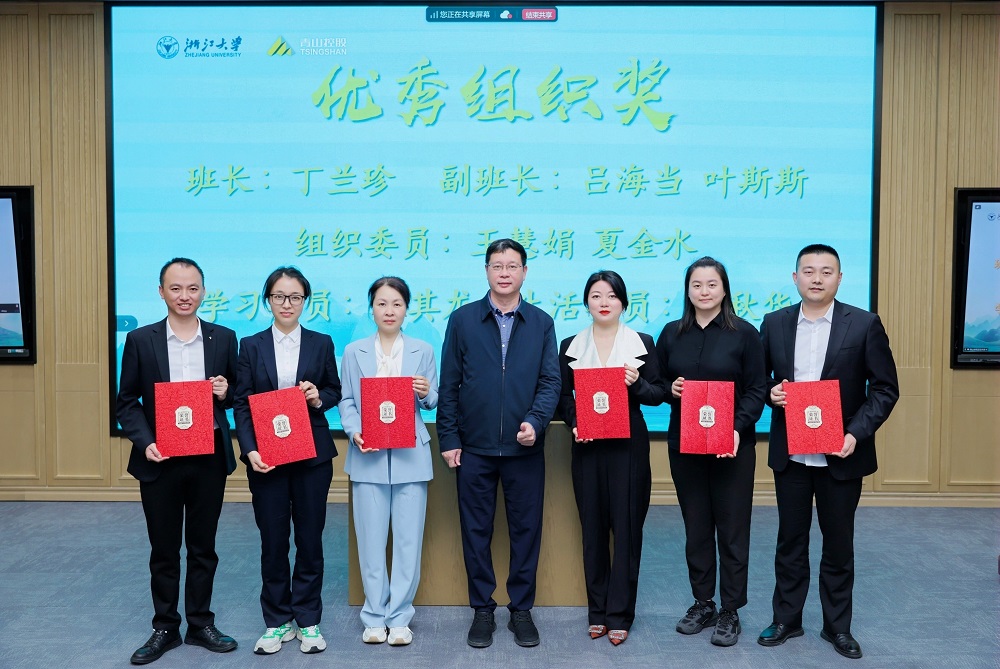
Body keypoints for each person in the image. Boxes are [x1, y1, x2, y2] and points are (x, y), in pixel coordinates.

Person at [756, 244, 898, 659]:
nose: (816, 278)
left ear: (839, 278)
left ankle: (837, 627)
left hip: (842, 453)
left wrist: (856, 433)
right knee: (790, 541)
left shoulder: (865, 324)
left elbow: (885, 389)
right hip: (792, 455)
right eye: (808, 271)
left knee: (838, 543)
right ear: (795, 277)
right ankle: (787, 619)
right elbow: (758, 381)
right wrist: (771, 394)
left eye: (826, 271)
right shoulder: (774, 323)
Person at [438, 238, 561, 649]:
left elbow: (550, 382)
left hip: (525, 449)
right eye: (497, 265)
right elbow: (449, 383)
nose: (504, 272)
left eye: (512, 266)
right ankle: (483, 610)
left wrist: (535, 422)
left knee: (526, 531)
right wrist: (449, 437)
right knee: (476, 531)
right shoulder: (463, 320)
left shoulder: (541, 322)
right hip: (473, 448)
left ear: (524, 271)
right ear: (487, 271)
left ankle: (521, 610)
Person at [116, 257, 239, 664]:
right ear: (161, 292)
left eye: (192, 288)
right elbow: (126, 401)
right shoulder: (141, 340)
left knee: (204, 547)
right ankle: (165, 627)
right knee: (164, 549)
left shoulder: (223, 338)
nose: (184, 296)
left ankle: (200, 623)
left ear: (203, 292)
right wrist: (145, 441)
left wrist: (224, 391)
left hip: (208, 456)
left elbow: (237, 394)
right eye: (175, 288)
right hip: (160, 458)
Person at [655, 256, 766, 647]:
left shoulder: (745, 334)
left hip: (732, 448)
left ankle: (731, 609)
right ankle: (703, 602)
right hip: (684, 448)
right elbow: (656, 383)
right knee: (696, 528)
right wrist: (670, 389)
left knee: (732, 531)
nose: (704, 291)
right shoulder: (671, 333)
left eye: (712, 284)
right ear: (688, 291)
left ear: (724, 289)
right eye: (697, 285)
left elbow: (757, 390)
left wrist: (736, 429)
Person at [233, 267, 342, 655]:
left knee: (310, 540)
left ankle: (308, 618)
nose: (287, 303)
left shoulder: (321, 342)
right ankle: (277, 620)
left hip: (312, 457)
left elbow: (334, 390)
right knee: (273, 541)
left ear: (305, 301)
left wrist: (317, 397)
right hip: (268, 459)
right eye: (279, 296)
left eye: (295, 297)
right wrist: (250, 450)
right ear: (268, 300)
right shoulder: (251, 345)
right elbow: (241, 403)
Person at [556, 270, 666, 646]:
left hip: (628, 447)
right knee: (593, 529)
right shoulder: (570, 345)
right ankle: (597, 611)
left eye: (612, 296)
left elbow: (659, 394)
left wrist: (637, 384)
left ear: (623, 302)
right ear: (586, 302)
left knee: (627, 529)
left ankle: (620, 613)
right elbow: (562, 396)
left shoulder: (643, 343)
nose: (604, 302)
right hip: (587, 446)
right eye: (596, 296)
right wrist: (575, 422)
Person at [338, 277, 438, 646]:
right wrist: (354, 431)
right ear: (372, 309)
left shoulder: (423, 350)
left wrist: (426, 392)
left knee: (409, 542)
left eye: (396, 304)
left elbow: (433, 400)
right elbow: (347, 401)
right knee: (371, 542)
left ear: (407, 309)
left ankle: (399, 617)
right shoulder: (354, 352)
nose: (389, 311)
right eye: (382, 304)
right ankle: (373, 616)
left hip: (411, 455)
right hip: (368, 456)